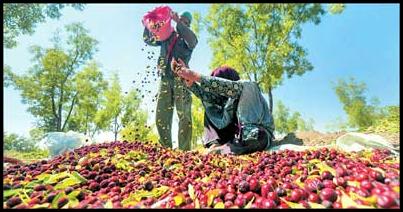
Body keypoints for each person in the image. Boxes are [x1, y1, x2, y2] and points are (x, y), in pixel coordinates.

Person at [171, 58, 275, 155]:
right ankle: (217, 145)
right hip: (234, 138)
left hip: (256, 134)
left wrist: (195, 76)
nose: (218, 93)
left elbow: (227, 87)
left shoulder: (247, 87)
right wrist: (190, 82)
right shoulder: (225, 100)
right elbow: (206, 96)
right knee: (209, 104)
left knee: (255, 137)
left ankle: (226, 149)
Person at [143, 10, 198, 150]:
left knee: (184, 115)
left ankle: (184, 151)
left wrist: (178, 22)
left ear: (188, 25)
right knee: (162, 114)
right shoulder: (167, 35)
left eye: (186, 22)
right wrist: (148, 24)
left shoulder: (189, 38)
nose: (183, 23)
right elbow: (150, 39)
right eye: (182, 20)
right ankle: (165, 149)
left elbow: (193, 41)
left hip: (182, 79)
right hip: (165, 79)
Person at [188, 66, 241, 149]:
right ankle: (214, 142)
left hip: (237, 136)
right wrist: (189, 80)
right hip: (221, 138)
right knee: (209, 107)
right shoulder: (216, 98)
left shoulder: (241, 94)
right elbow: (203, 94)